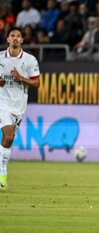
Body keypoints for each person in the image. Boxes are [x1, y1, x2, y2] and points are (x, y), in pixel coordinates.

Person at [0, 27, 40, 191]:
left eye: (18, 36)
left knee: (9, 140)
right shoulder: (0, 58)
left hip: (19, 106)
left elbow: (37, 84)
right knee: (8, 135)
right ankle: (3, 173)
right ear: (7, 39)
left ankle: (2, 168)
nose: (15, 39)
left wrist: (20, 77)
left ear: (22, 40)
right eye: (12, 36)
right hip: (2, 103)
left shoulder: (30, 60)